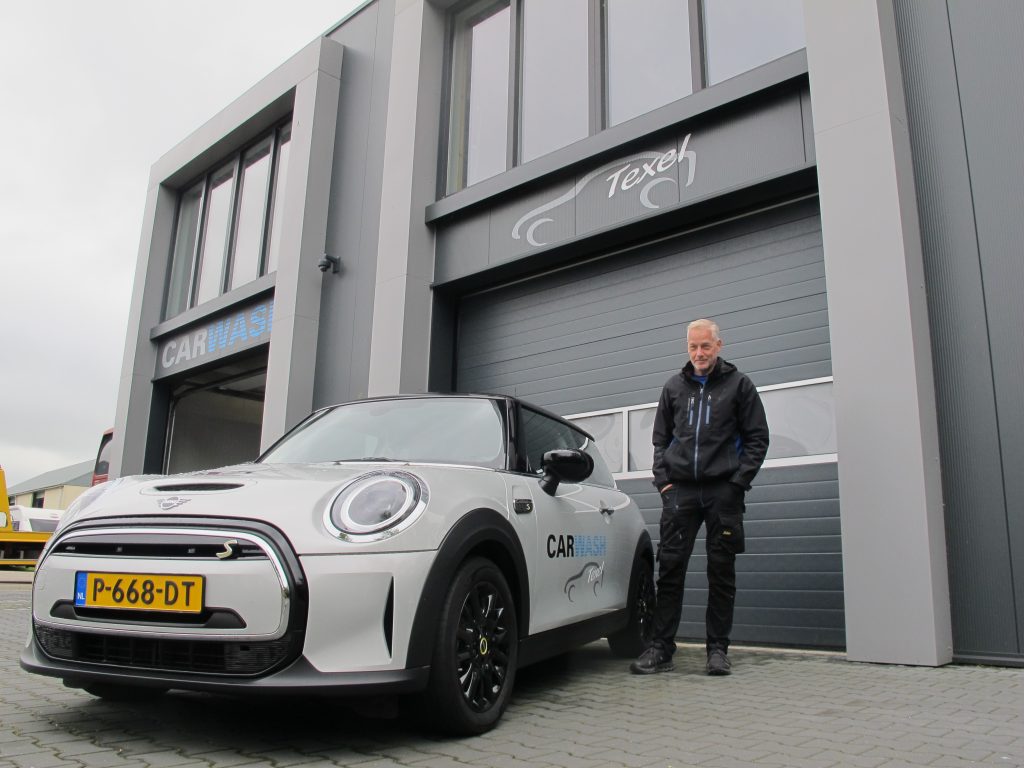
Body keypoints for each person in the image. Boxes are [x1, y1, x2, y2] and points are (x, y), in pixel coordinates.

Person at [630, 319, 769, 676]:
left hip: (724, 492)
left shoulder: (739, 386)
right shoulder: (674, 387)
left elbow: (757, 439)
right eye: (693, 347)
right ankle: (661, 648)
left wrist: (737, 484)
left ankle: (718, 650)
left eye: (705, 346)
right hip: (681, 493)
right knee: (671, 570)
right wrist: (664, 483)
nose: (699, 354)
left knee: (721, 572)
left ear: (719, 345)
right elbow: (660, 440)